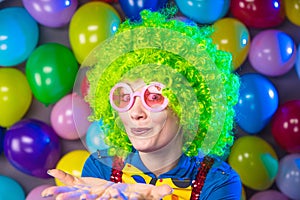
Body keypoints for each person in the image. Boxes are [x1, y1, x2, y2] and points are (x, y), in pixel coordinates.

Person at [42, 7, 242, 200]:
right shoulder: (100, 169)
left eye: (153, 97)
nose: (135, 113)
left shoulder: (218, 183)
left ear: (189, 106)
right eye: (126, 97)